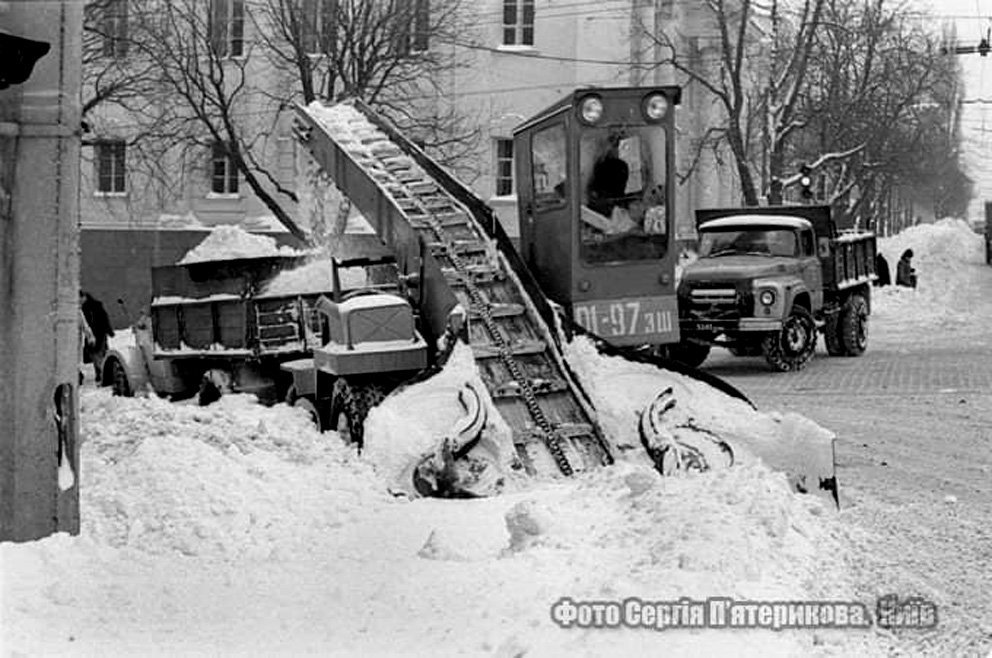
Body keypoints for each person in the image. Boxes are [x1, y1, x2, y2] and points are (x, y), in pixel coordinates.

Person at [80, 290, 115, 381]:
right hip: (93, 334)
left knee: (97, 354)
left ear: (84, 297)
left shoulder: (94, 306)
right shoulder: (83, 308)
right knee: (95, 354)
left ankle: (103, 373)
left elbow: (104, 318)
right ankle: (101, 373)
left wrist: (109, 330)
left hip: (99, 333)